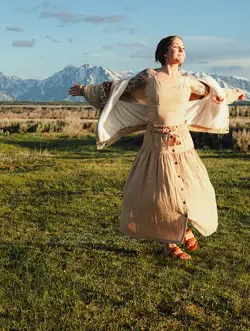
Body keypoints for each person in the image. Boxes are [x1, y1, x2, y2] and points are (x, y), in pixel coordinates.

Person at [69, 36, 224, 260]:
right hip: (156, 142)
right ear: (163, 53)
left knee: (193, 186)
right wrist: (86, 90)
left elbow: (212, 93)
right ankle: (170, 244)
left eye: (183, 47)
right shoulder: (149, 76)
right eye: (176, 46)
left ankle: (184, 224)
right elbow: (118, 89)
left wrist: (228, 96)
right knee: (159, 192)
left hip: (182, 141)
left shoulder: (189, 81)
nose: (181, 50)